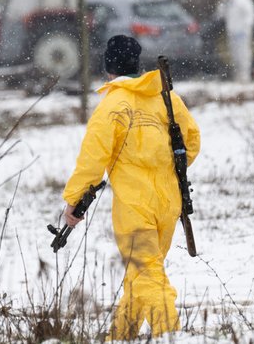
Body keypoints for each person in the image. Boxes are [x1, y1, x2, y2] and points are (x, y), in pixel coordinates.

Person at [61, 35, 201, 339]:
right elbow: (191, 142)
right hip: (169, 204)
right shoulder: (167, 98)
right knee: (142, 272)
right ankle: (120, 336)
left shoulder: (113, 105)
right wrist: (164, 169)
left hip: (135, 207)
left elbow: (92, 159)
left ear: (109, 68)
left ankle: (170, 335)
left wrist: (73, 201)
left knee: (148, 275)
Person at [219, 0, 254, 82]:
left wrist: (246, 28)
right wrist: (223, 2)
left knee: (243, 55)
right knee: (234, 56)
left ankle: (245, 76)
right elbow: (220, 14)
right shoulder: (227, 3)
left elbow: (250, 15)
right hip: (232, 33)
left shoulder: (243, 0)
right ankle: (237, 76)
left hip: (242, 33)